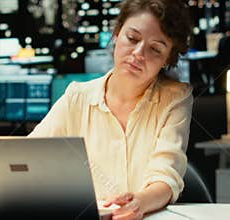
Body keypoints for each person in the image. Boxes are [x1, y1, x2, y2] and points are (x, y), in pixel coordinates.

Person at [29, 0, 193, 219]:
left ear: (167, 59)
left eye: (155, 49)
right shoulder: (77, 96)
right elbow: (29, 154)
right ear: (116, 34)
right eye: (132, 38)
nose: (138, 53)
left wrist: (139, 203)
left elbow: (166, 176)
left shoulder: (174, 99)